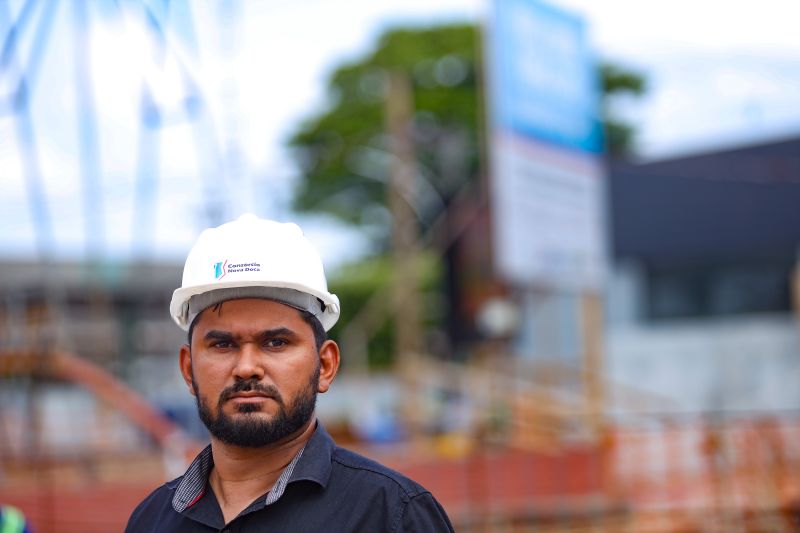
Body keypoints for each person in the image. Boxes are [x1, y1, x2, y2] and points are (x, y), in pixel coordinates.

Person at [125, 214, 454, 532]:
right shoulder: (151, 521)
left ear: (325, 365)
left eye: (276, 342)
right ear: (188, 369)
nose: (247, 368)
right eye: (223, 345)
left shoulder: (391, 515)